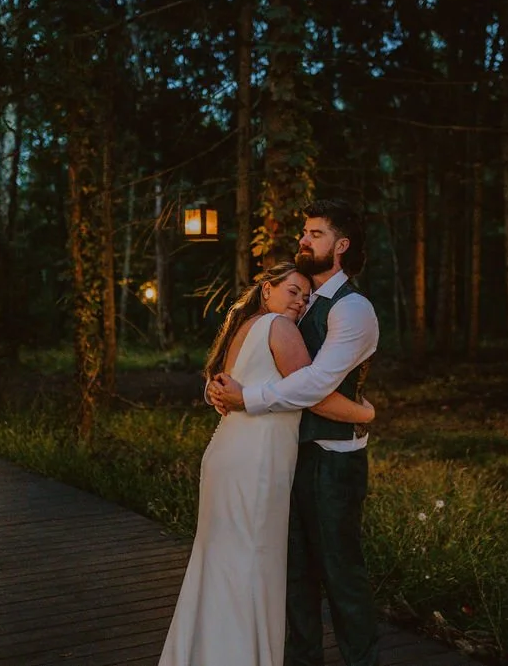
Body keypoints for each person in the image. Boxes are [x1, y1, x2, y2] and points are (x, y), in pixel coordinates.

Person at [158, 261, 375, 666]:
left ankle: (204, 654)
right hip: (256, 460)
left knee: (222, 560)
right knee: (253, 561)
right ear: (267, 290)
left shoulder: (242, 327)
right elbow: (313, 393)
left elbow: (218, 387)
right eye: (292, 291)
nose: (299, 301)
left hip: (228, 452)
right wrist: (365, 415)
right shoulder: (280, 327)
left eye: (306, 297)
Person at [208, 199, 380, 666]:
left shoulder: (353, 310)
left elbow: (316, 385)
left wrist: (248, 398)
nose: (304, 240)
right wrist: (221, 387)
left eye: (316, 234)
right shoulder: (299, 303)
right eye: (304, 233)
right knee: (295, 576)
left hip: (332, 459)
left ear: (341, 246)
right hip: (286, 455)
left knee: (341, 575)